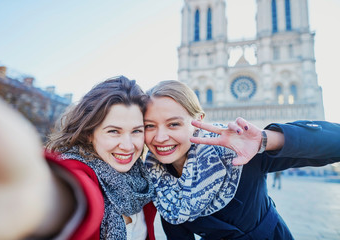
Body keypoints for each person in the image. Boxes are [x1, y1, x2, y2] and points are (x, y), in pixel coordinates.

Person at [143, 80, 340, 240]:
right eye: (149, 126)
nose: (160, 137)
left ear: (199, 121)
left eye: (174, 124)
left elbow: (334, 143)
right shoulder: (157, 181)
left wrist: (266, 139)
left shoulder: (234, 151)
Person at [0, 76, 156, 240]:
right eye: (113, 131)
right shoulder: (76, 168)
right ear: (89, 133)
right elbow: (70, 197)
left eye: (136, 131)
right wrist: (32, 199)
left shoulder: (145, 181)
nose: (127, 145)